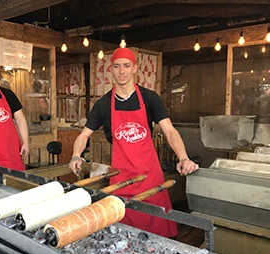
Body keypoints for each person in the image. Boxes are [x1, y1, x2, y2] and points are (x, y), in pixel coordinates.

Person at [69, 48, 198, 238]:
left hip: (151, 179)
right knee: (124, 236)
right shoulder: (104, 104)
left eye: (126, 66)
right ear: (111, 70)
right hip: (121, 180)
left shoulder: (149, 98)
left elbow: (170, 131)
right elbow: (83, 136)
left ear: (135, 68)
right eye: (117, 66)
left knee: (158, 237)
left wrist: (183, 157)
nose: (122, 71)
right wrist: (75, 155)